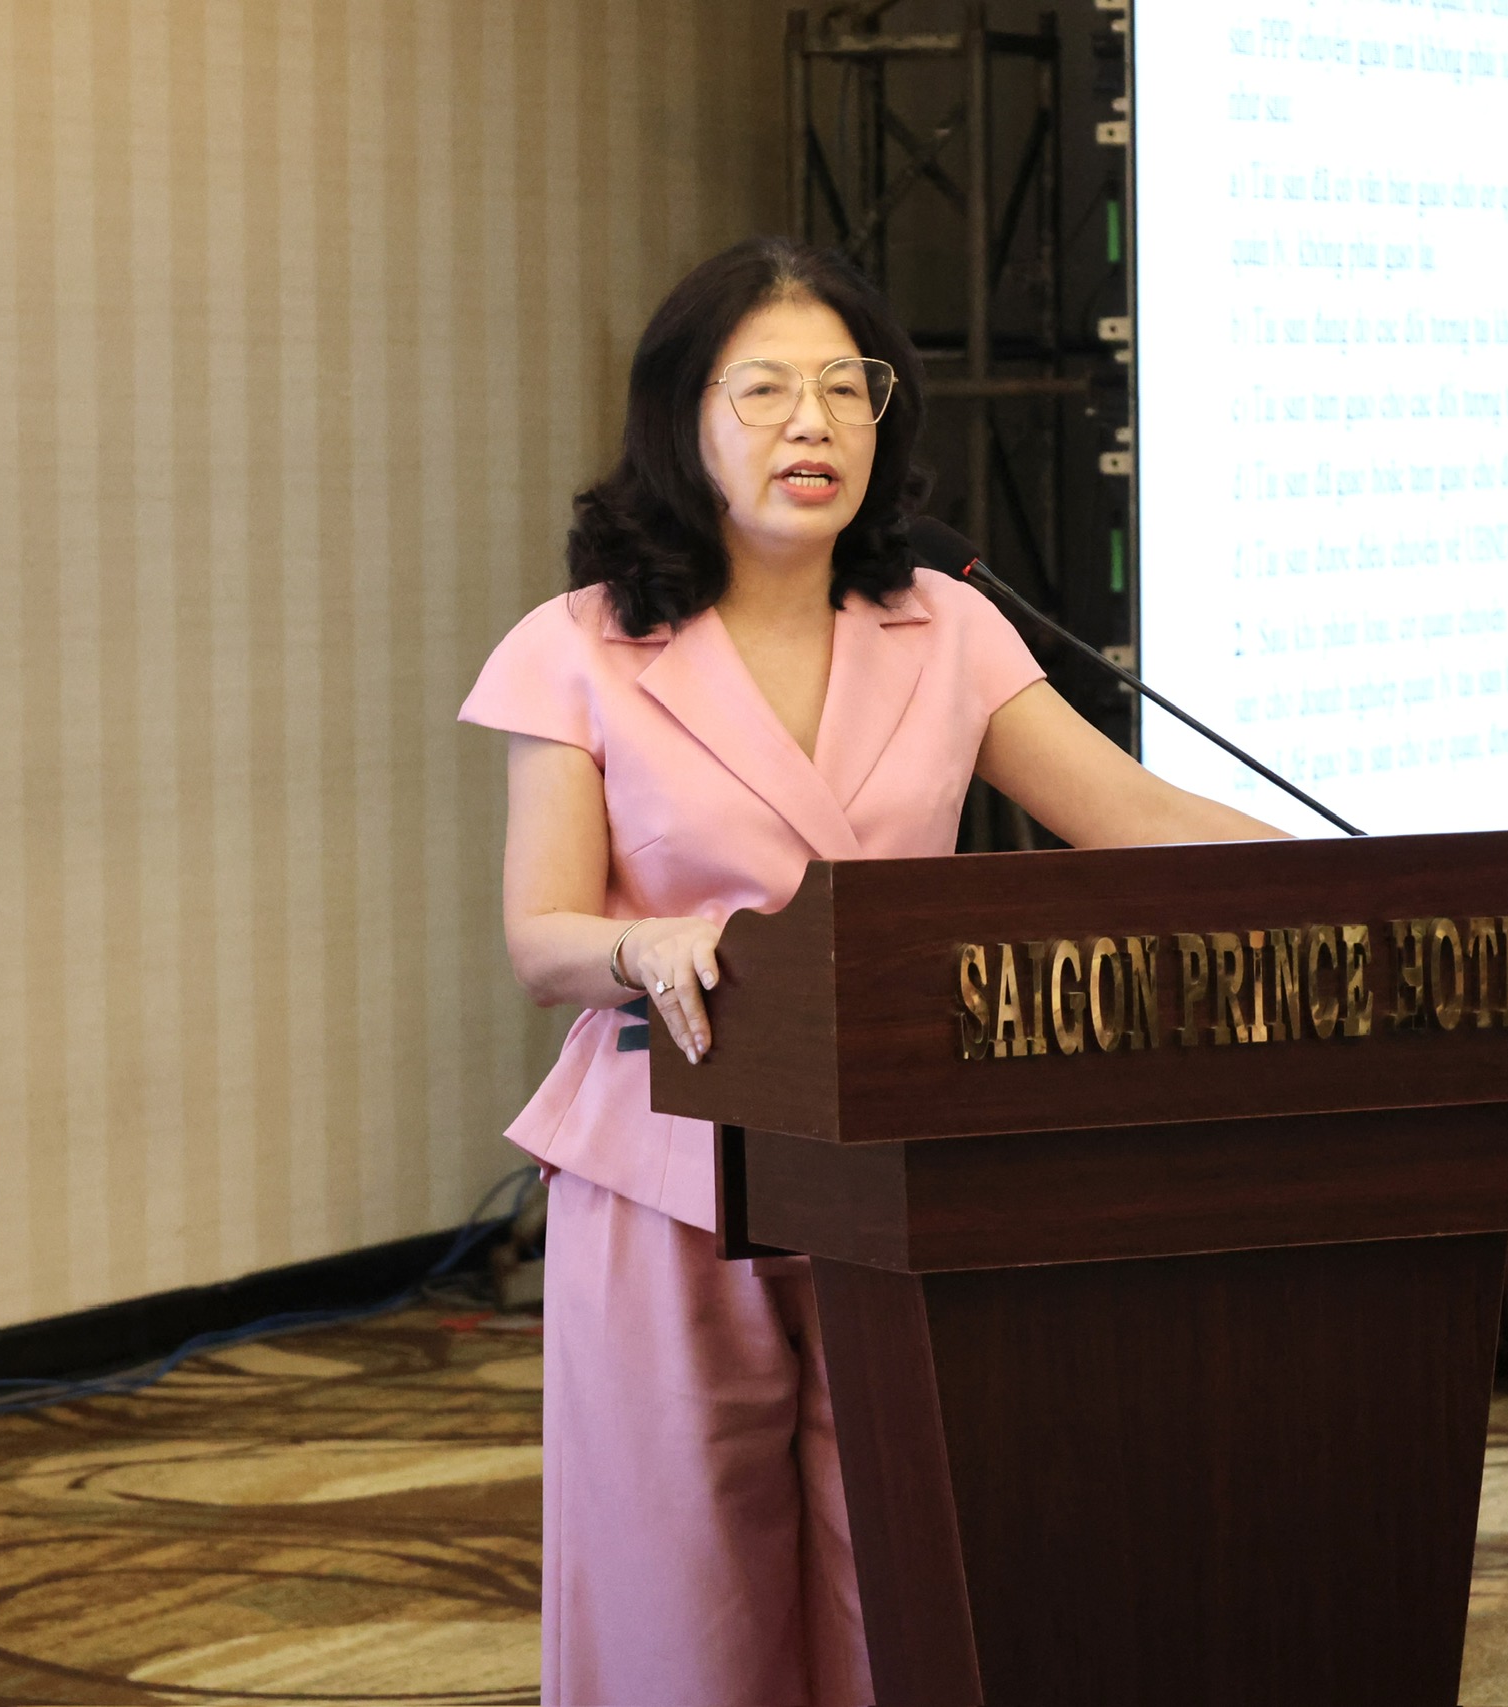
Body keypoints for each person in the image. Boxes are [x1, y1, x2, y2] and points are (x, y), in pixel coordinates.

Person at [458, 236, 1282, 1707]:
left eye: (848, 388)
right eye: (766, 389)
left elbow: (1132, 817)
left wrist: (1372, 887)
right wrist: (641, 943)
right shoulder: (578, 646)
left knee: (900, 1559)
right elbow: (541, 939)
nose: (815, 423)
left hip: (904, 1154)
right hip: (675, 1153)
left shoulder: (945, 623)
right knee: (683, 1577)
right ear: (682, 418)